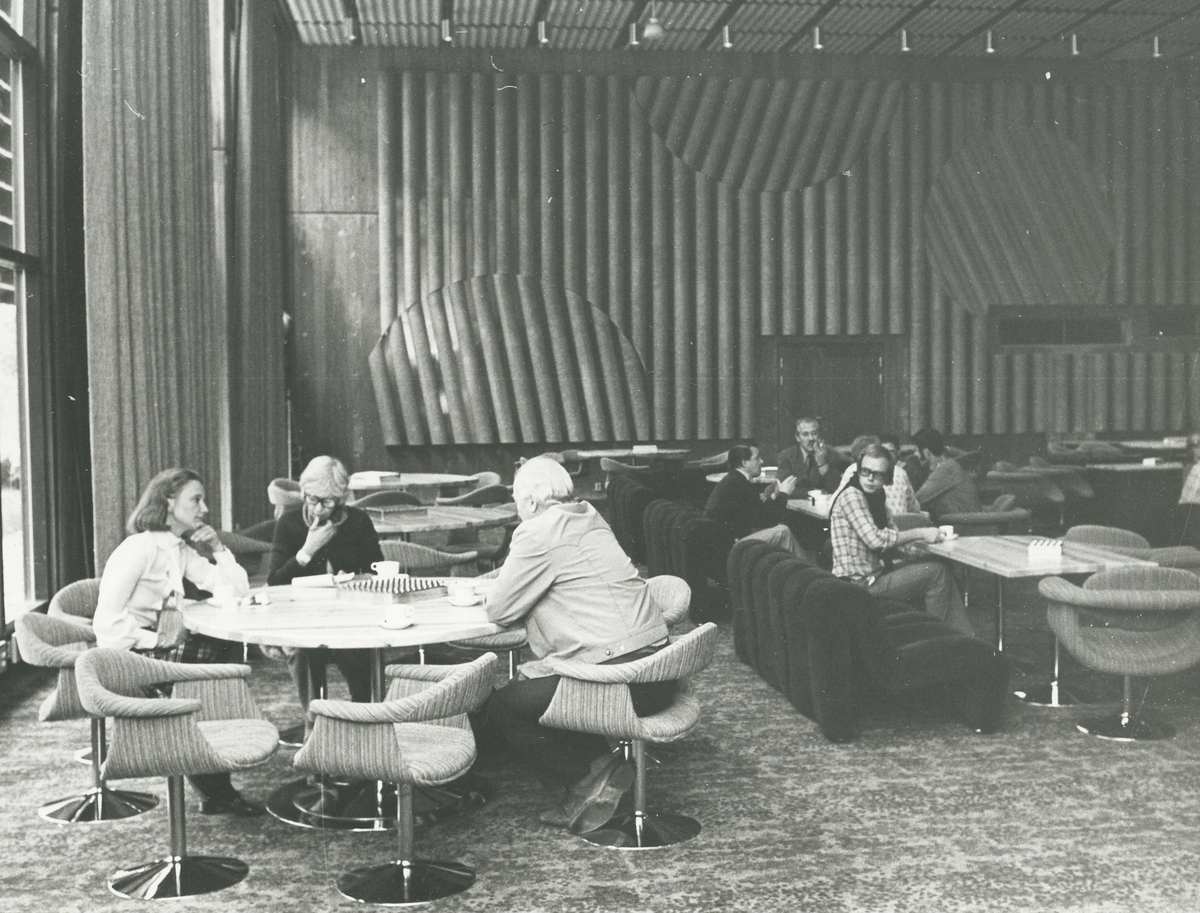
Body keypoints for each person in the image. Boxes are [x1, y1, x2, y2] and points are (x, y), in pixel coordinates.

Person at [473, 457, 675, 834]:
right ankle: (602, 768)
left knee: (505, 706)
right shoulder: (588, 516)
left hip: (622, 680)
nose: (517, 511)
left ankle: (585, 782)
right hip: (659, 671)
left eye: (517, 503)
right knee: (539, 685)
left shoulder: (537, 531)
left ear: (530, 502)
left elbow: (500, 609)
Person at [93, 468, 260, 816]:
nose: (205, 509)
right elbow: (107, 626)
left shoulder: (177, 549)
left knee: (224, 654)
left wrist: (218, 547)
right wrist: (158, 638)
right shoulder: (138, 549)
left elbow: (235, 590)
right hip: (128, 657)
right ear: (168, 502)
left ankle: (212, 771)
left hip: (153, 650)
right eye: (196, 500)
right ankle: (212, 780)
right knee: (214, 671)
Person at [267, 455, 384, 710]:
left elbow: (377, 569)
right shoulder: (289, 524)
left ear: (341, 499)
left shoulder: (357, 522)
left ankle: (363, 713)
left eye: (327, 501)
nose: (319, 508)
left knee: (358, 650)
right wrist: (307, 550)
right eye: (312, 499)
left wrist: (357, 579)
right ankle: (313, 717)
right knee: (302, 650)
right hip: (303, 617)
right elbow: (275, 581)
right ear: (303, 493)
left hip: (348, 615)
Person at [830, 444, 973, 634]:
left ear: (886, 477)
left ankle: (961, 638)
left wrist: (925, 553)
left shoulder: (876, 497)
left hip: (873, 576)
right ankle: (938, 637)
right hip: (858, 585)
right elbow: (875, 540)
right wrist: (920, 533)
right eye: (865, 471)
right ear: (858, 470)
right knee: (937, 574)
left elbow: (894, 540)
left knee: (939, 566)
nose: (870, 478)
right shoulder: (852, 496)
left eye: (877, 474)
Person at [704, 443, 811, 559]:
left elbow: (758, 512)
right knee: (783, 531)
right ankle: (807, 569)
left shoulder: (735, 479)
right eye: (757, 458)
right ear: (744, 463)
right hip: (732, 547)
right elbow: (766, 521)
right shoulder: (741, 484)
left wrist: (775, 495)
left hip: (722, 544)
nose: (762, 461)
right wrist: (784, 495)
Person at [837, 434, 924, 518]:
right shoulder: (900, 472)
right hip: (901, 524)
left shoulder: (852, 470)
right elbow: (914, 509)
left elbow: (836, 504)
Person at [911, 427, 979, 522]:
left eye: (917, 450)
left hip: (965, 524)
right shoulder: (949, 464)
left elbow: (916, 501)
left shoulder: (945, 469)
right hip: (965, 521)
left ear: (926, 452)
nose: (915, 455)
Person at [776, 417, 843, 494]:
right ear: (797, 437)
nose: (811, 438)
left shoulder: (831, 455)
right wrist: (817, 493)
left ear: (819, 435)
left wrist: (822, 464)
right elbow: (784, 489)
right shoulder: (786, 456)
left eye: (814, 433)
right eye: (805, 434)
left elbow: (835, 489)